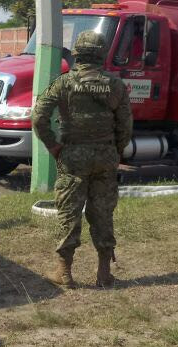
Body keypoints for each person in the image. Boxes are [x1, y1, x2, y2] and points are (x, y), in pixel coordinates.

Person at [32, 31, 133, 290]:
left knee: (70, 213)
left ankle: (64, 272)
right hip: (105, 156)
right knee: (102, 212)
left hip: (73, 156)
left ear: (76, 54)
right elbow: (125, 125)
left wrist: (53, 146)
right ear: (101, 54)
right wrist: (116, 150)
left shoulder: (64, 83)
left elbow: (38, 117)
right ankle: (104, 274)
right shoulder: (116, 85)